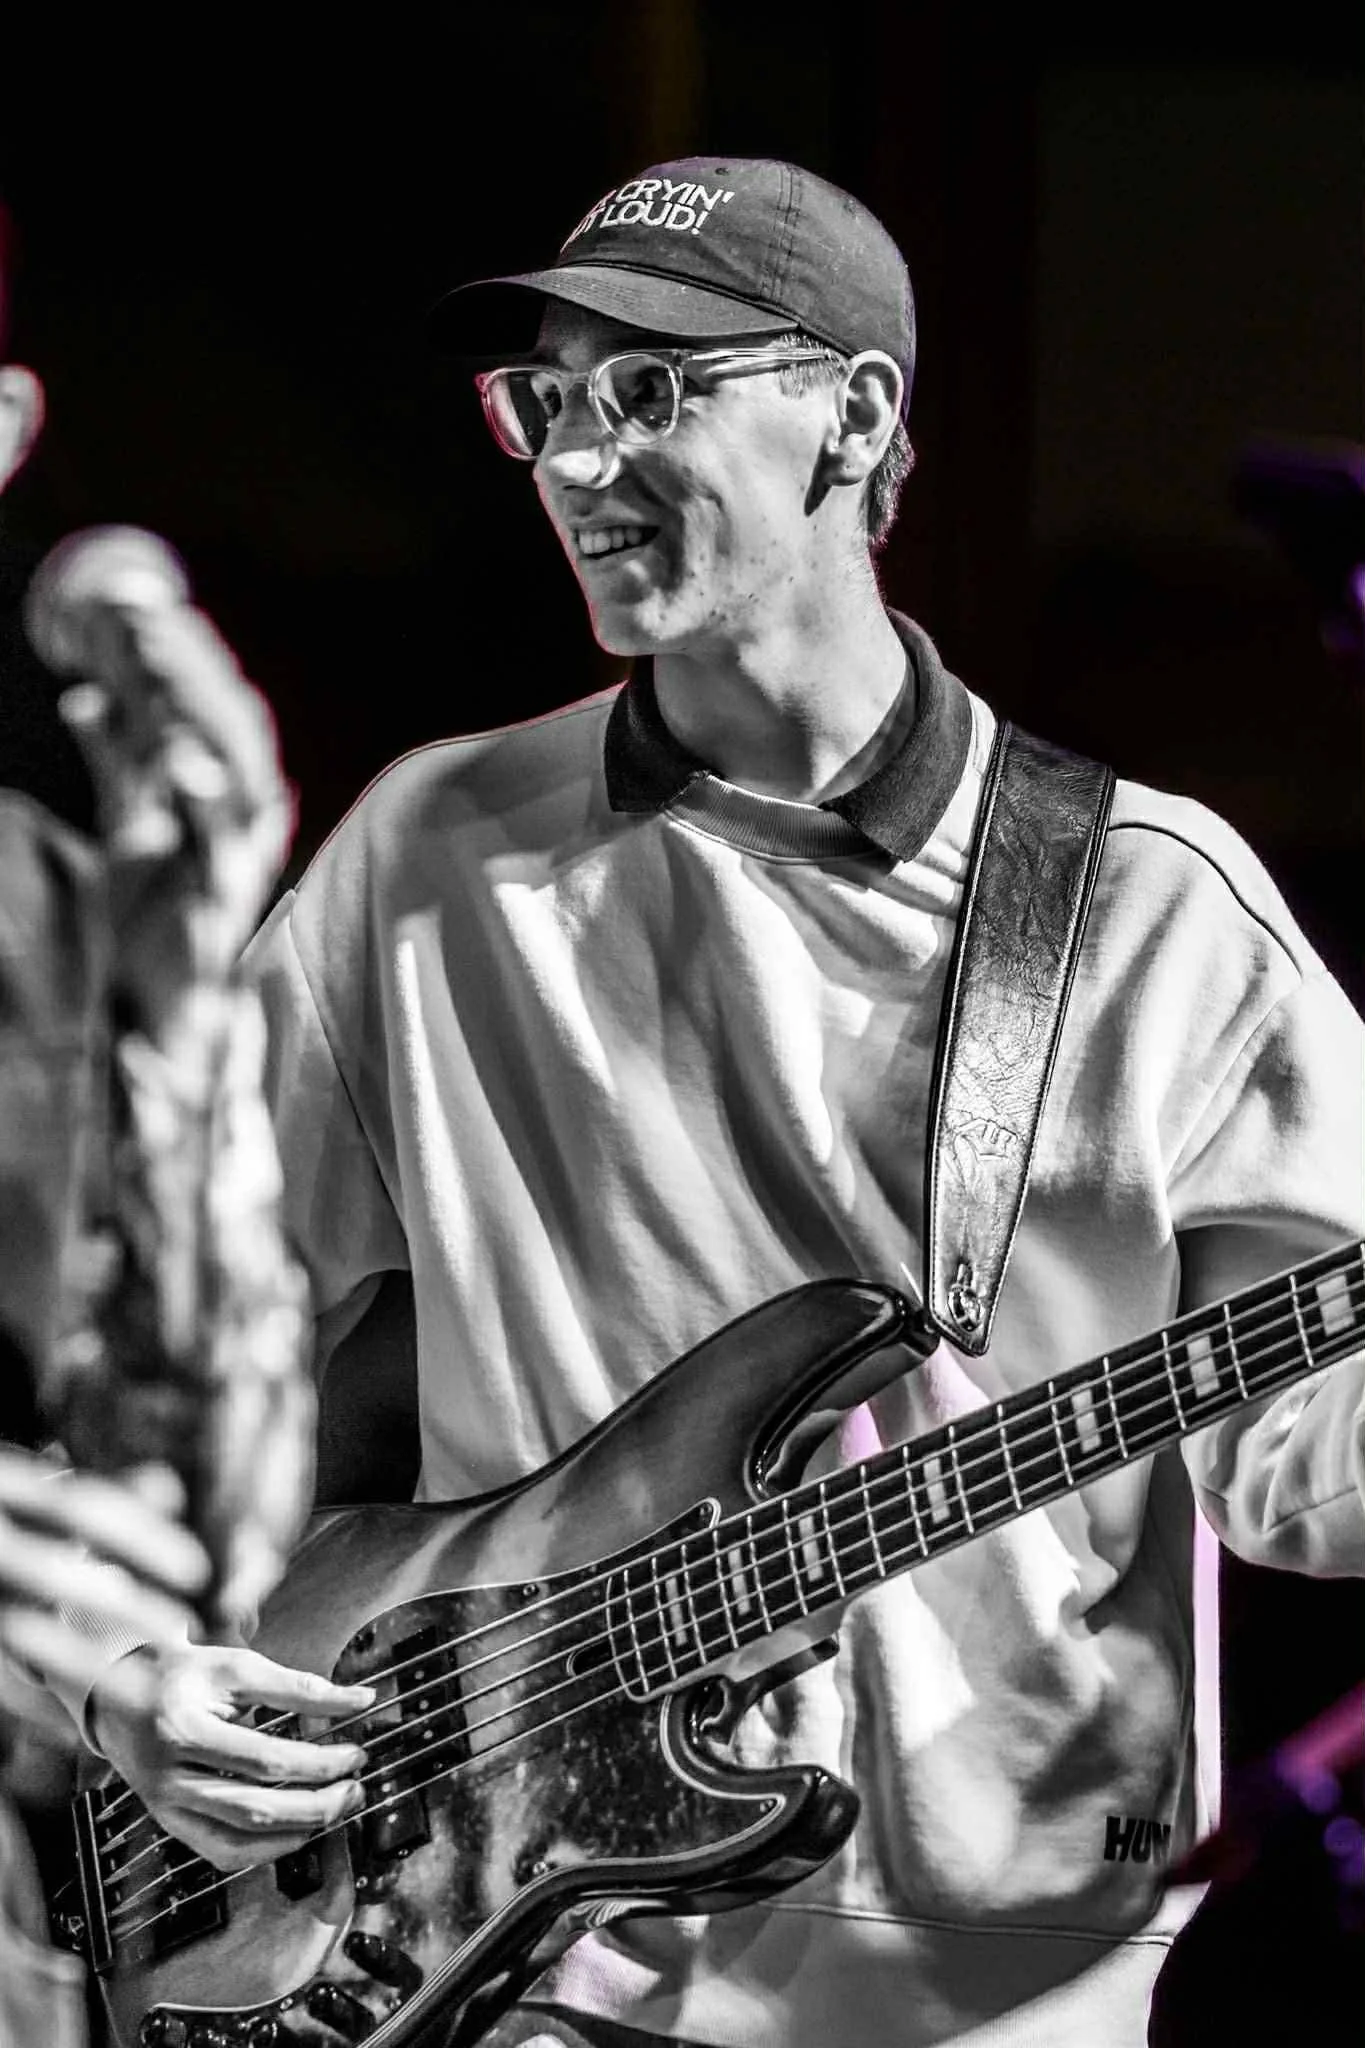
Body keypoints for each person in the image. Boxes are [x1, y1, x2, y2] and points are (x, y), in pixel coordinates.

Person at [90, 158, 1365, 2048]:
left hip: (997, 1988)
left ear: (854, 415)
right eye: (548, 404)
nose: (579, 462)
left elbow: (1292, 1468)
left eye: (653, 391)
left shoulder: (1152, 907)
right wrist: (115, 1663)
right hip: (495, 1956)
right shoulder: (428, 858)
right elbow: (156, 1338)